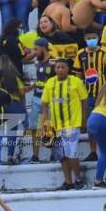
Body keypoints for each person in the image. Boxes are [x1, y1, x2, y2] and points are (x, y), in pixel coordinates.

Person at [42, 58, 88, 190]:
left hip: (72, 124)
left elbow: (84, 101)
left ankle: (79, 179)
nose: (60, 70)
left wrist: (84, 120)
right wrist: (46, 122)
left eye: (62, 67)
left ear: (68, 69)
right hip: (56, 126)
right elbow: (44, 103)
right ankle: (68, 182)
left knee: (71, 153)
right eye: (57, 67)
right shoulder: (50, 83)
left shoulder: (76, 81)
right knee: (62, 156)